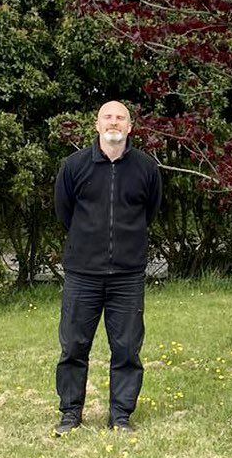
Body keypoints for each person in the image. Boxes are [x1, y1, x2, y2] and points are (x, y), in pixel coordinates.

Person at [52, 101, 163, 436]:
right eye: (108, 117)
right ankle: (71, 413)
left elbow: (150, 212)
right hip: (82, 274)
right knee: (74, 347)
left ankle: (121, 415)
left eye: (120, 118)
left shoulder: (146, 168)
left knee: (127, 348)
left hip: (127, 276)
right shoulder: (74, 166)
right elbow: (65, 212)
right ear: (97, 124)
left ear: (130, 127)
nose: (114, 122)